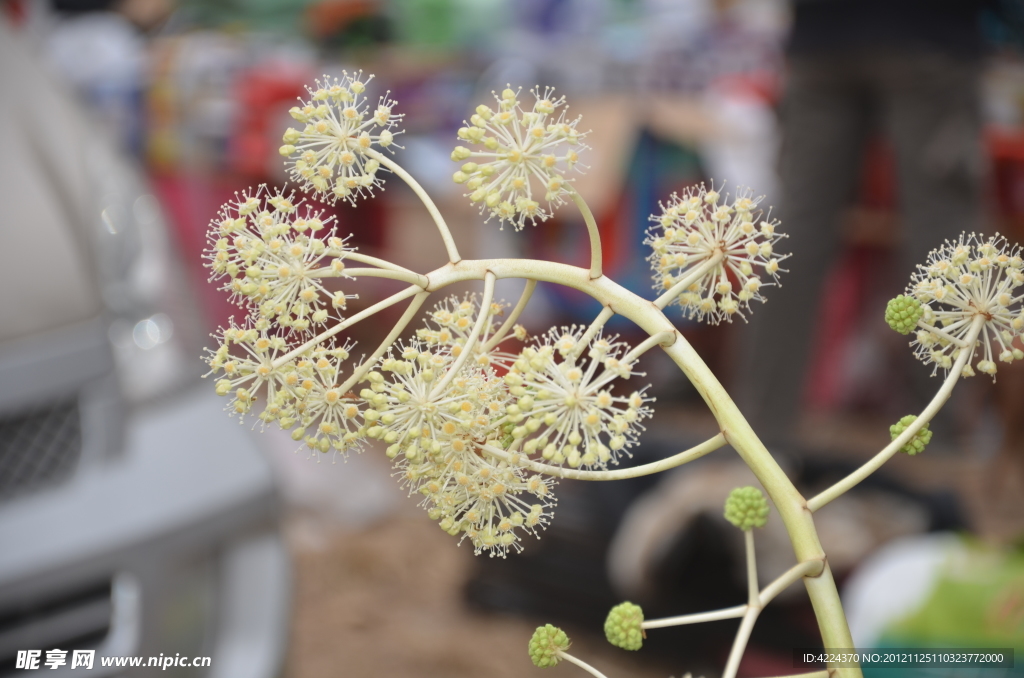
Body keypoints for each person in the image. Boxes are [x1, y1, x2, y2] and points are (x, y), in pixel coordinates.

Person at [742, 0, 990, 447]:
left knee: (796, 230)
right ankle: (943, 436)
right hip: (929, 33)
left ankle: (760, 429)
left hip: (823, 38)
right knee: (942, 237)